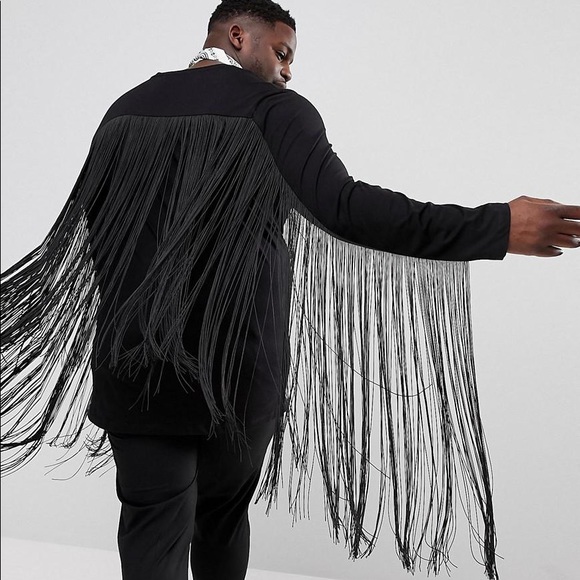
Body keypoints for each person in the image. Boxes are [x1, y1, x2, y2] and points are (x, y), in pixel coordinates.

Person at [1, 1, 578, 579]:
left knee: (151, 531)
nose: (287, 71)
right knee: (222, 521)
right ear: (237, 36)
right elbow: (348, 209)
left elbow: (99, 229)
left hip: (135, 367)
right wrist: (496, 226)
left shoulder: (125, 109)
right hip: (239, 371)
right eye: (281, 53)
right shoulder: (273, 111)